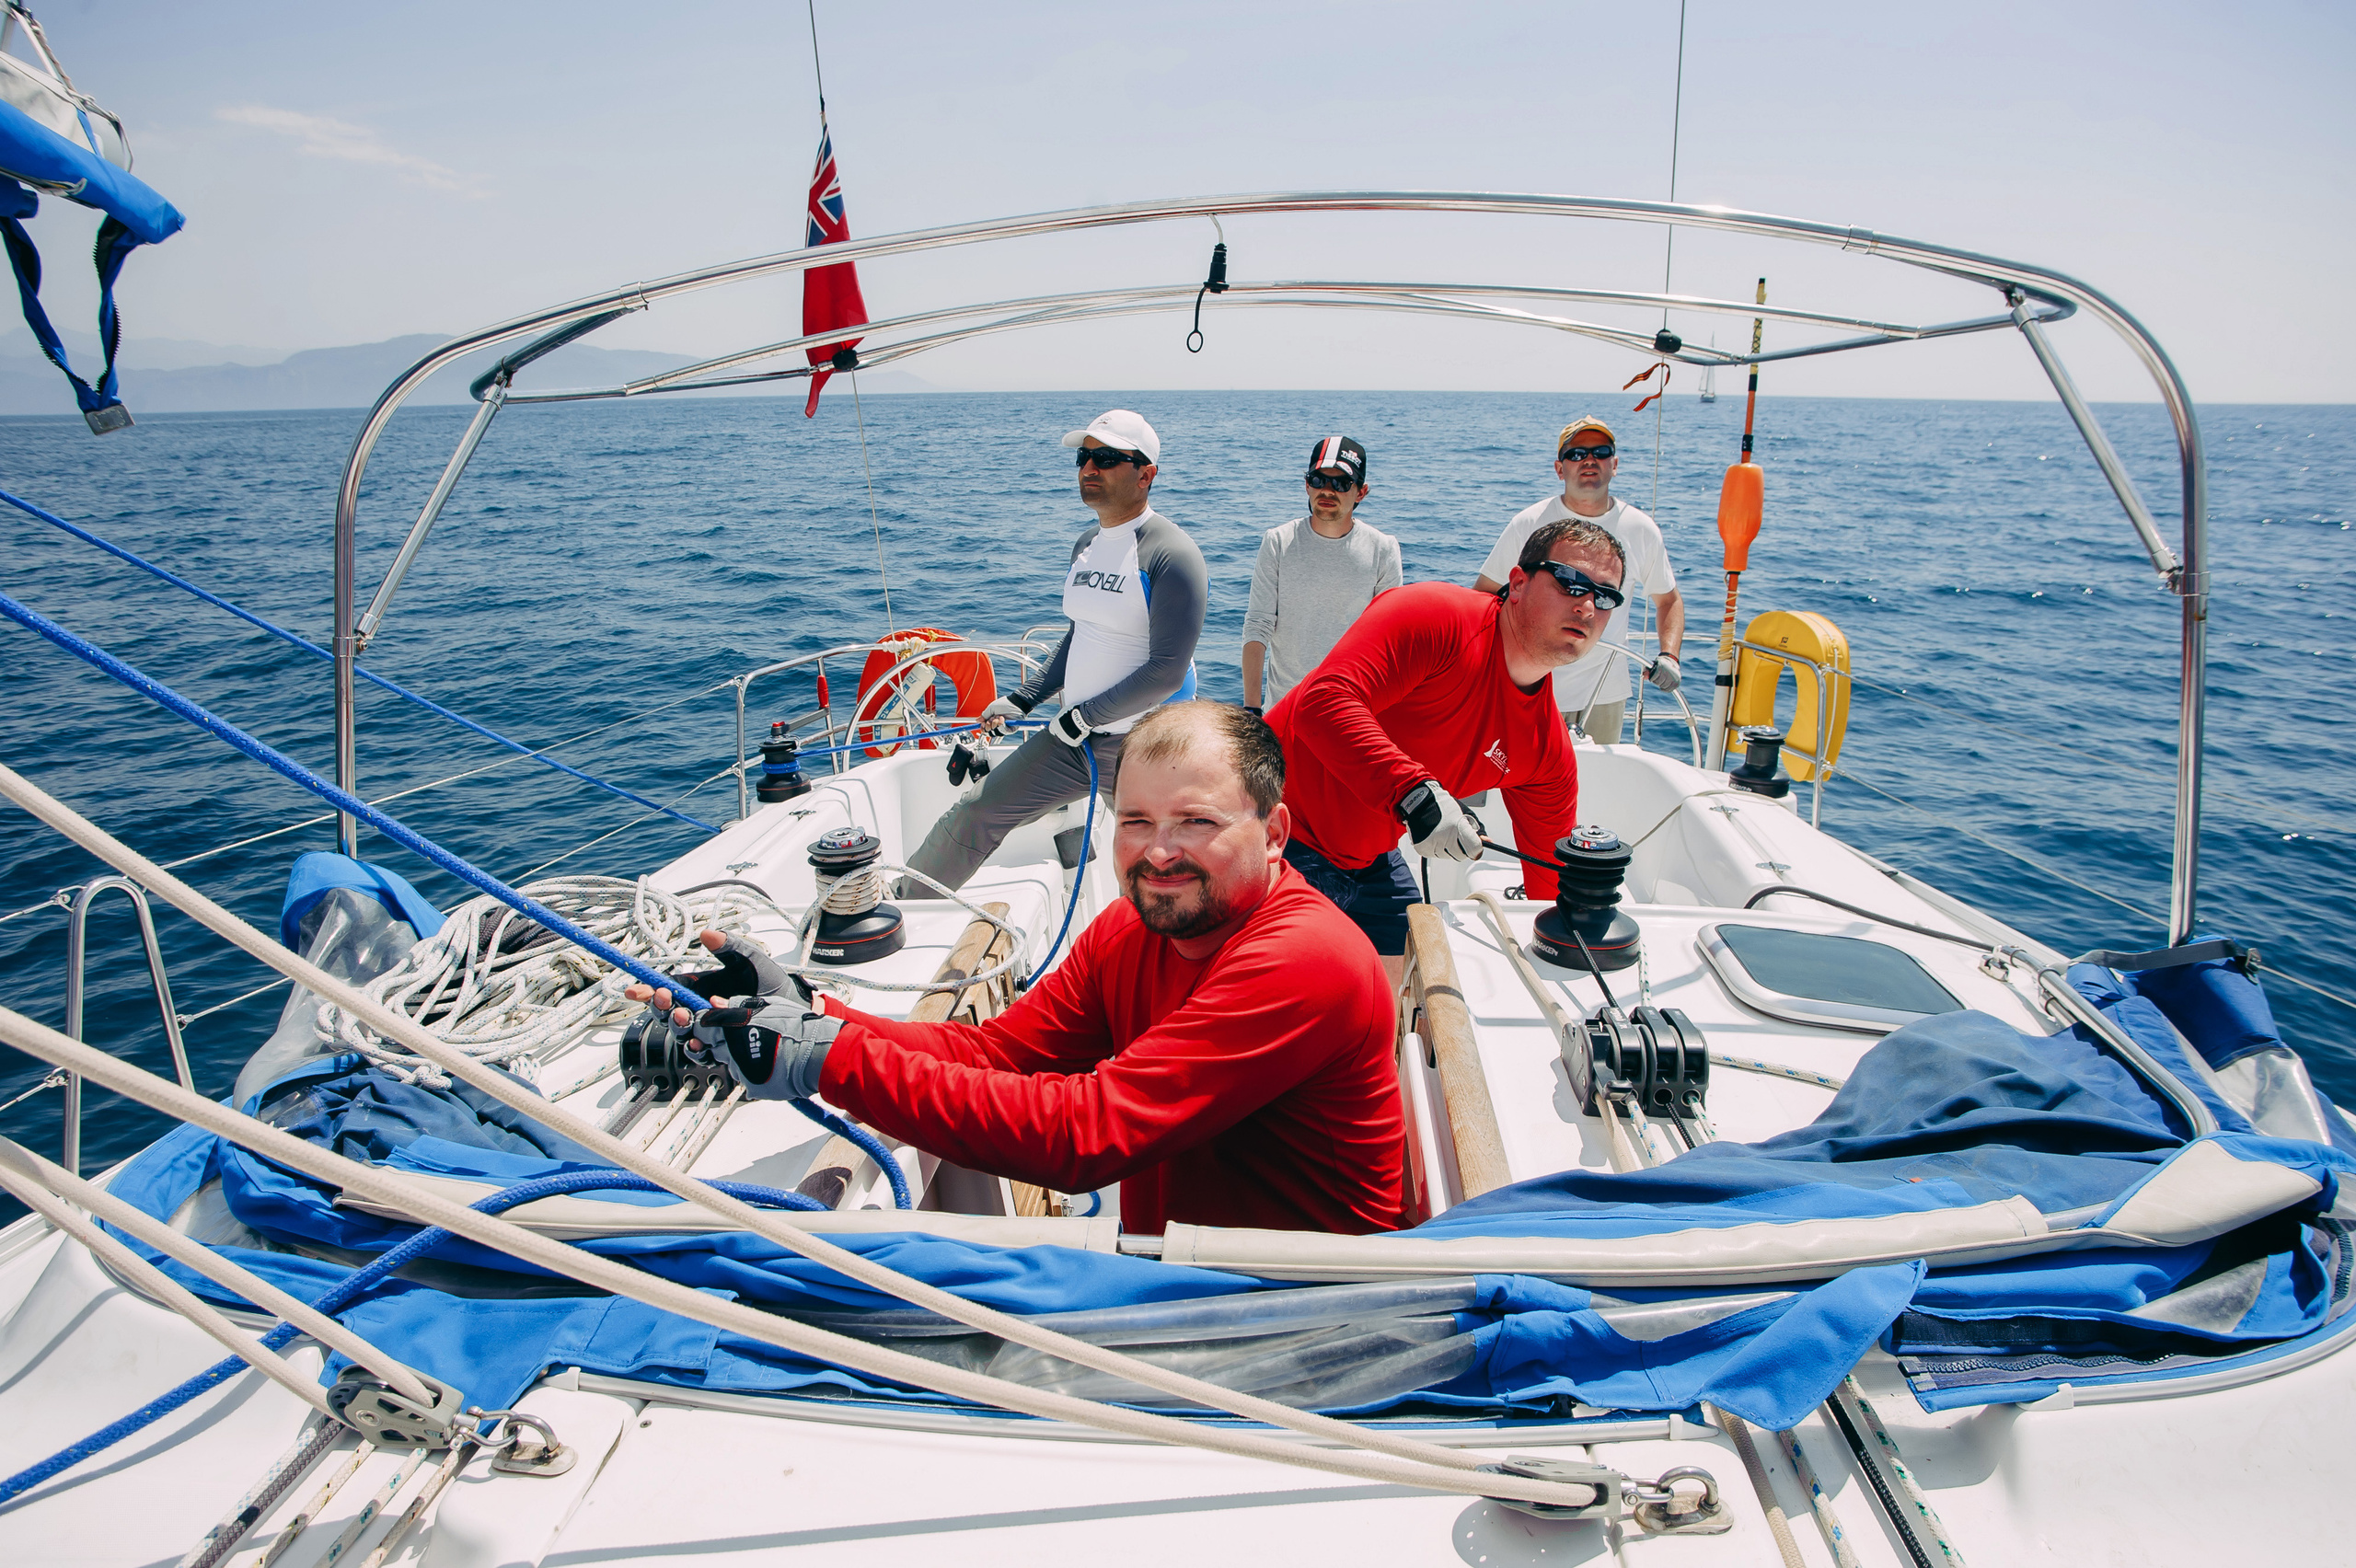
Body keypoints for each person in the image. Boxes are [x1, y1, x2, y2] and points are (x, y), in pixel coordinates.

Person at [639, 702, 1406, 1236]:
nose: (1158, 851)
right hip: (1182, 1273)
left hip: (1306, 1302)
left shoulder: (1305, 960)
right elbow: (995, 1054)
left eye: (1196, 822)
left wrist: (823, 1061)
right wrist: (814, 1015)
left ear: (1275, 833)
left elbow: (1085, 1137)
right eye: (1135, 821)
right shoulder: (1128, 931)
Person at [1270, 518, 1627, 980]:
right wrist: (1415, 794)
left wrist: (1576, 935)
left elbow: (1550, 882)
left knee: (1416, 994)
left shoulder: (1546, 753)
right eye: (1571, 582)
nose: (1586, 605)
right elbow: (1322, 704)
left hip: (1370, 861)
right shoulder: (1434, 616)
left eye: (1605, 596)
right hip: (1271, 834)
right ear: (1516, 583)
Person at [901, 409, 1207, 894]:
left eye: (1107, 457)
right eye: (1084, 457)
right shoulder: (1087, 544)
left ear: (1146, 474)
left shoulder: (1172, 554)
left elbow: (1166, 672)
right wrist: (1026, 697)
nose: (1090, 467)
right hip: (1072, 740)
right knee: (976, 811)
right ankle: (903, 911)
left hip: (1143, 749)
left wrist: (1085, 716)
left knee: (1159, 869)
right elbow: (1079, 634)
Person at [1473, 417, 1683, 744]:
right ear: (1560, 468)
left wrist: (1669, 655)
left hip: (1603, 692)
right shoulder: (1528, 523)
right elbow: (1485, 596)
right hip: (1525, 684)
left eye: (1600, 452)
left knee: (1593, 789)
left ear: (1615, 465)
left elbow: (1668, 600)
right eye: (1576, 454)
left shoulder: (1642, 530)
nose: (1589, 460)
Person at [1241, 436, 1403, 712]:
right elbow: (1258, 624)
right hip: (1284, 710)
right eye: (1318, 481)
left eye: (1340, 484)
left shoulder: (1383, 549)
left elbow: (1390, 643)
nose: (1327, 491)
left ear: (1361, 492)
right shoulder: (1277, 542)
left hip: (1355, 710)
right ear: (1307, 485)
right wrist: (1252, 710)